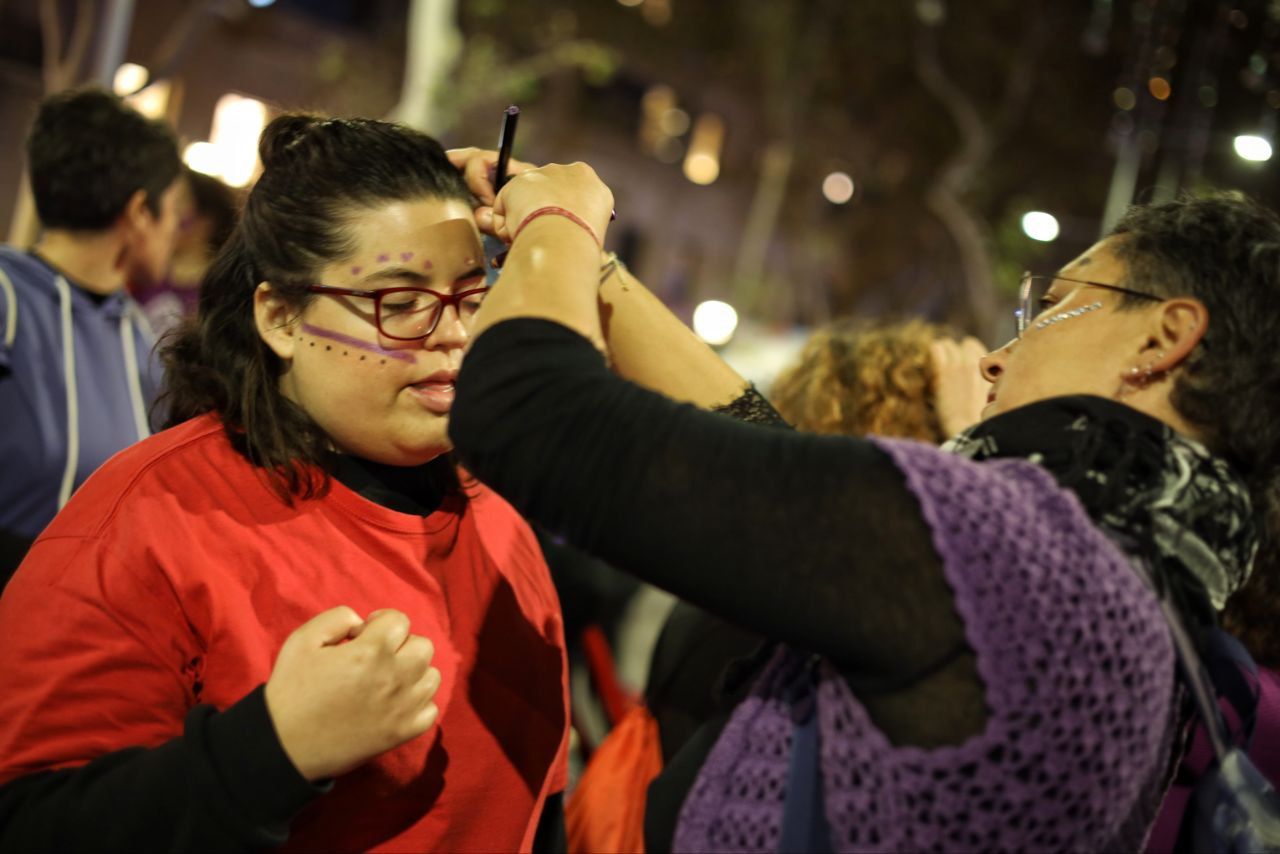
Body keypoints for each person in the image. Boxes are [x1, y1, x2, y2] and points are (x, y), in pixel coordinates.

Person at [446, 163, 1280, 852]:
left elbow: (528, 410)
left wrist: (563, 216)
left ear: (1161, 339)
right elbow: (782, 469)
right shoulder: (1134, 588)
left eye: (1057, 306)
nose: (998, 356)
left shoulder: (1025, 558)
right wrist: (595, 272)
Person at [0, 116, 568, 852]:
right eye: (399, 304)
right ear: (280, 317)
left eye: (469, 296)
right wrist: (271, 751)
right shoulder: (148, 522)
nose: (454, 337)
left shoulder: (503, 528)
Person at [0, 87, 184, 584]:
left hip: (74, 629)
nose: (175, 232)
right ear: (140, 212)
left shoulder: (141, 337)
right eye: (172, 212)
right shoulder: (7, 295)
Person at [132, 167, 239, 338]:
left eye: (179, 206)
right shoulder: (145, 277)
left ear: (205, 220)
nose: (167, 217)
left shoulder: (226, 287)